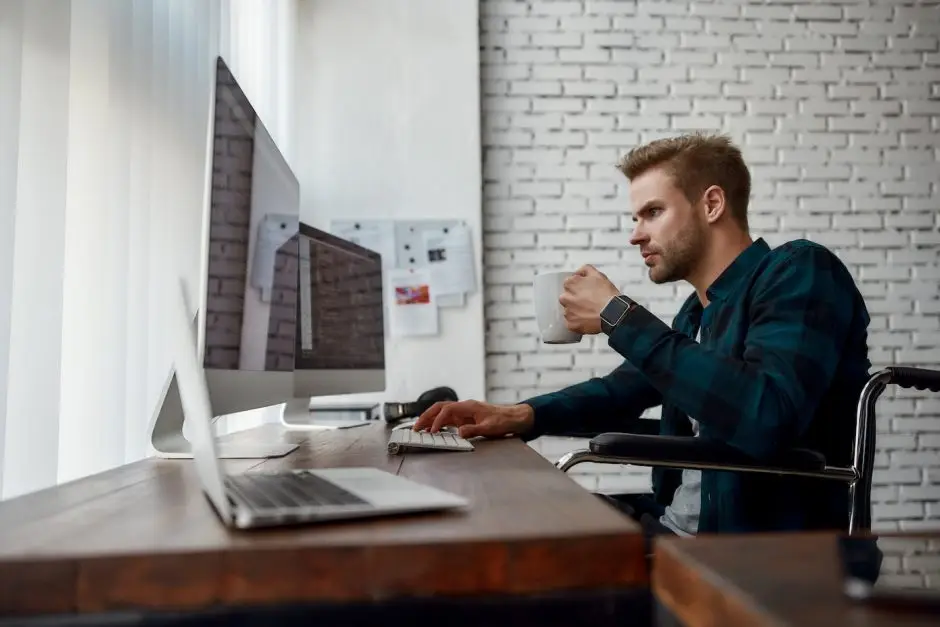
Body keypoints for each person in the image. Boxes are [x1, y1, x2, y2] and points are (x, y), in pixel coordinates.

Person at [414, 132, 872, 539]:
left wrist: (617, 314)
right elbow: (620, 391)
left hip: (754, 553)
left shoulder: (799, 272)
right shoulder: (697, 311)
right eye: (635, 217)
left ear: (712, 205)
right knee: (509, 514)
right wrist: (519, 415)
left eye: (652, 213)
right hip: (675, 527)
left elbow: (767, 415)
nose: (636, 235)